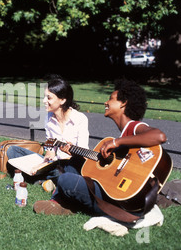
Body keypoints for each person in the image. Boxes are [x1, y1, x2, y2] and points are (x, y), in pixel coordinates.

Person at [33, 79, 167, 216]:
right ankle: (64, 201)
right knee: (73, 166)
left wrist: (116, 143)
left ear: (123, 103)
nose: (106, 102)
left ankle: (62, 202)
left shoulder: (134, 126)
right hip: (116, 192)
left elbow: (160, 136)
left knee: (65, 179)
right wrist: (74, 151)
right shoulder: (125, 132)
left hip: (118, 198)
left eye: (111, 99)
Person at [7, 75, 89, 189]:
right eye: (44, 97)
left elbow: (84, 155)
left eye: (49, 98)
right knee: (12, 151)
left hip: (70, 165)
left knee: (65, 172)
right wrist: (42, 164)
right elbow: (50, 151)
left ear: (62, 100)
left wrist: (71, 153)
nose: (44, 101)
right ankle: (46, 179)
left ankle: (45, 179)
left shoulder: (80, 119)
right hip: (53, 163)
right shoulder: (48, 118)